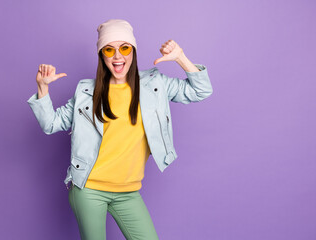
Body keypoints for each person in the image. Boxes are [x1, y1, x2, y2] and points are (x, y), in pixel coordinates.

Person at [27, 19, 213, 240]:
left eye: (124, 48)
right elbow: (51, 124)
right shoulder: (86, 92)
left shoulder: (155, 84)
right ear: (101, 55)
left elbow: (201, 91)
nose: (118, 56)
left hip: (128, 192)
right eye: (109, 49)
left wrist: (181, 58)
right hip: (89, 190)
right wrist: (43, 88)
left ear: (133, 51)